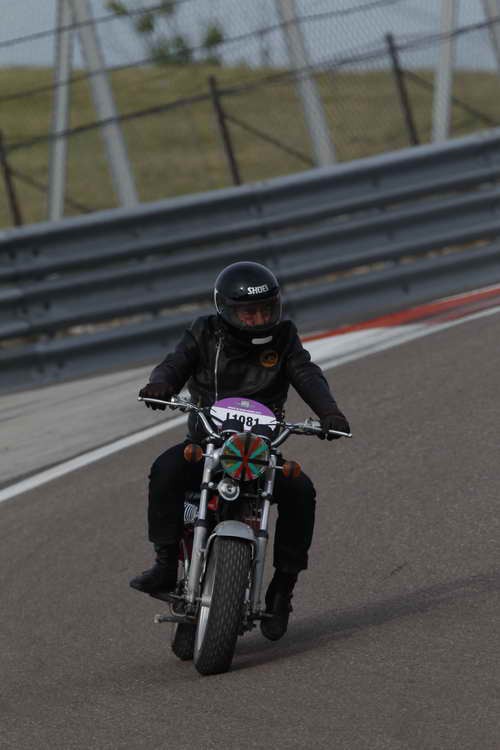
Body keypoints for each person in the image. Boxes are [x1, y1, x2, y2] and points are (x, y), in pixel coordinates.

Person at [130, 261, 350, 640]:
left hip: (260, 453)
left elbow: (306, 373)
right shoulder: (203, 332)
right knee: (165, 469)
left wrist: (329, 412)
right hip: (207, 446)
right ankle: (165, 564)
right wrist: (161, 384)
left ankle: (282, 590)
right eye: (248, 312)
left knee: (301, 490)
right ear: (226, 309)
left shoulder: (284, 337)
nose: (258, 319)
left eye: (265, 310)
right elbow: (175, 363)